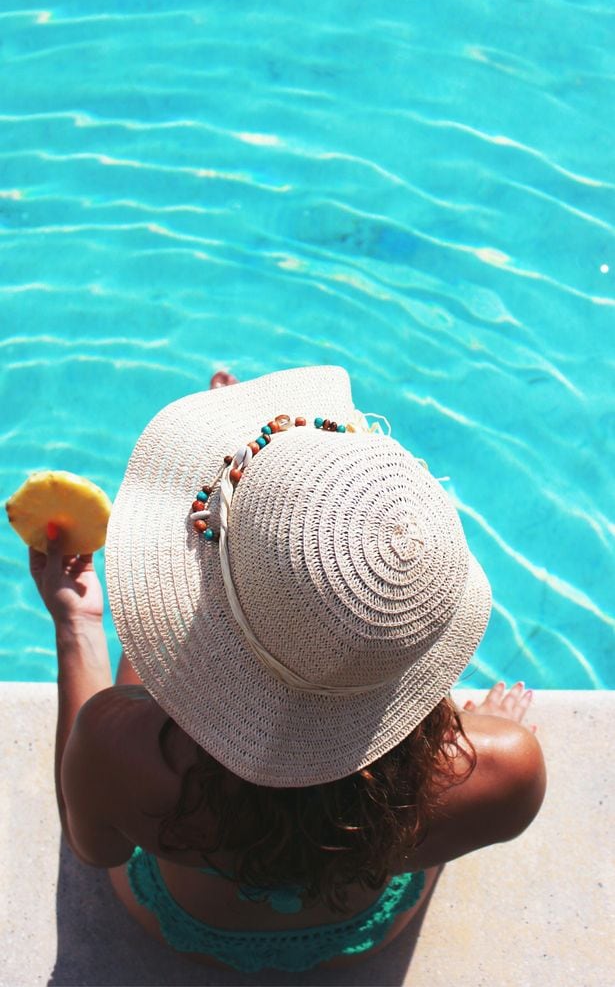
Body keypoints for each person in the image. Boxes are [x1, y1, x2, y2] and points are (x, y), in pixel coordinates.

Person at [29, 365, 545, 974]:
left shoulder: (119, 748)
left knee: (156, 657)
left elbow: (95, 848)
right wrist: (469, 740)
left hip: (181, 920)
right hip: (362, 927)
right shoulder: (504, 771)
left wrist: (78, 626)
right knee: (354, 671)